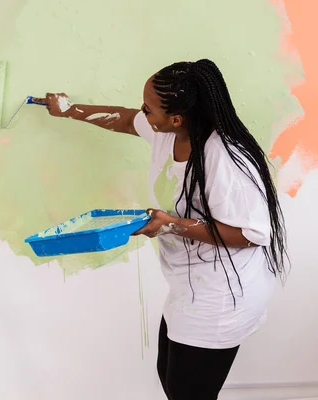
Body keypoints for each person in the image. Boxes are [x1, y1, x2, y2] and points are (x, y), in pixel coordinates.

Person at [34, 59, 289, 400]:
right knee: (171, 381)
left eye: (149, 110)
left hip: (223, 296)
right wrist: (68, 109)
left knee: (186, 392)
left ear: (177, 118)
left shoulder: (225, 159)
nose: (142, 114)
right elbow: (125, 119)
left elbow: (248, 235)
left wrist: (172, 224)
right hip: (190, 285)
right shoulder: (168, 133)